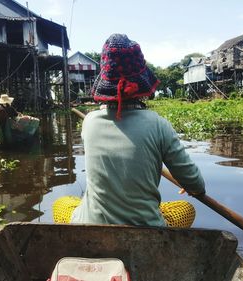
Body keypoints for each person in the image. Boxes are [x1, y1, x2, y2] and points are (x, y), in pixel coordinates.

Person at [55, 34, 205, 227]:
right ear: (142, 83)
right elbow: (196, 184)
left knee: (61, 204)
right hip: (148, 230)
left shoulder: (89, 123)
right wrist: (192, 186)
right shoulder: (159, 125)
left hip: (92, 227)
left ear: (105, 84)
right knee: (186, 209)